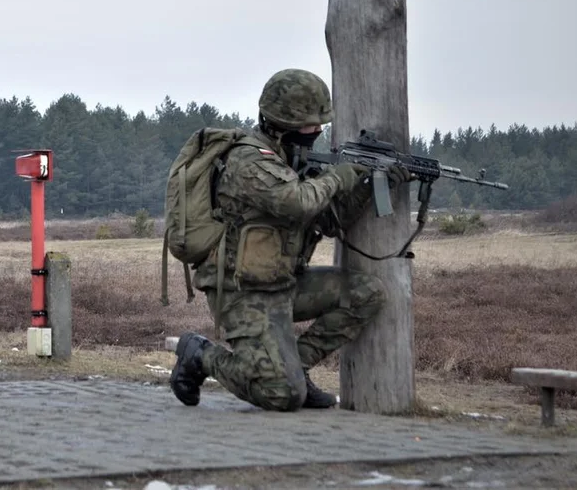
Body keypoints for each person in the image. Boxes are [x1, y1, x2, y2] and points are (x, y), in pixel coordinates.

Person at [170, 68, 411, 411]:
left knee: (366, 293)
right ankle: (199, 354)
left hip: (284, 285)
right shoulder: (249, 161)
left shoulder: (292, 164)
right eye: (311, 126)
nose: (318, 132)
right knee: (281, 395)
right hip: (242, 293)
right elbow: (296, 202)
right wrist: (337, 178)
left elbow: (330, 221)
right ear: (283, 123)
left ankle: (296, 367)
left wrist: (371, 186)